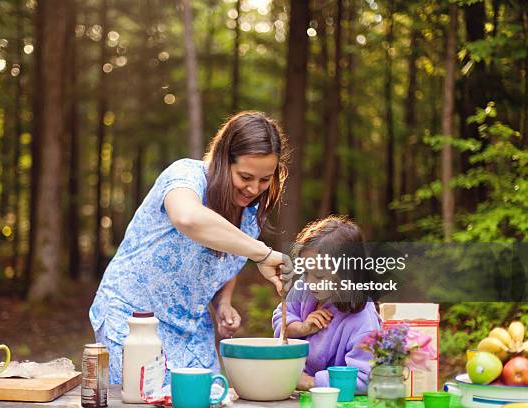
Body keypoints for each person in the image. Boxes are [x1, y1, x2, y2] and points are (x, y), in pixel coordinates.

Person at [90, 111, 294, 384]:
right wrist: (263, 253)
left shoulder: (249, 213)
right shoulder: (185, 175)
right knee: (145, 400)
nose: (253, 188)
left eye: (265, 179)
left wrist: (222, 303)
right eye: (245, 176)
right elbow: (188, 218)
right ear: (223, 160)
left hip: (191, 329)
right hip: (134, 319)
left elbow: (225, 261)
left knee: (210, 398)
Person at [272, 215, 381, 393]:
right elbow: (281, 316)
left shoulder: (362, 319)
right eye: (306, 272)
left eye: (320, 276)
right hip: (297, 389)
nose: (311, 282)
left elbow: (365, 378)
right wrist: (301, 328)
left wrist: (311, 382)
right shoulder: (304, 288)